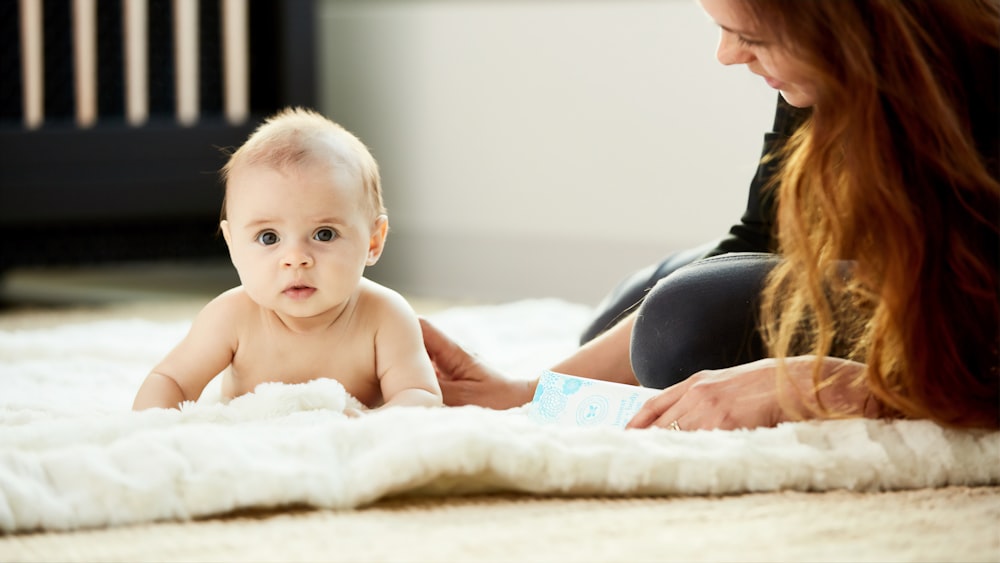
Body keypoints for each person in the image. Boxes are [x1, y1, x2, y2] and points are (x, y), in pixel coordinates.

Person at [420, 0, 999, 431]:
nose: (726, 55)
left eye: (751, 37)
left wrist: (844, 384)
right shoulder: (828, 76)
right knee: (635, 313)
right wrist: (532, 392)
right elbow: (762, 235)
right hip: (880, 267)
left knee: (681, 326)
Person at [133, 108, 443, 412]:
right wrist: (155, 427)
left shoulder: (384, 316)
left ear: (374, 241)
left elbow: (420, 395)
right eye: (269, 237)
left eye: (324, 234)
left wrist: (366, 429)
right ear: (233, 246)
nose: (295, 259)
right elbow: (170, 379)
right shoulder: (231, 317)